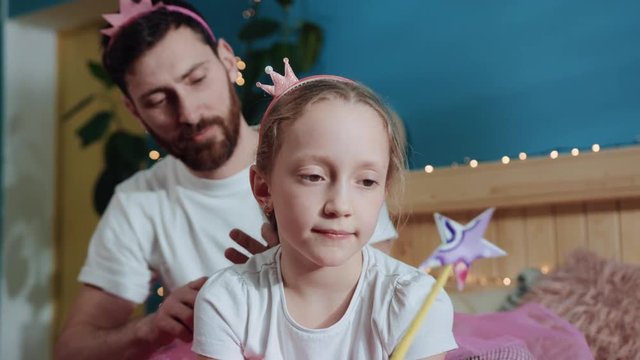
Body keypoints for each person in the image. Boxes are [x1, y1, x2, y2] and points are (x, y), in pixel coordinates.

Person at [53, 1, 398, 359]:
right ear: (134, 110)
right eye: (157, 100)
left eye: (197, 79)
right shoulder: (138, 200)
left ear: (228, 60)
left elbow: (384, 303)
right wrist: (152, 328)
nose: (189, 113)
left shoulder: (329, 158)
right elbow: (71, 351)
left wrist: (300, 276)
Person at [192, 59, 457, 359]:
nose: (340, 206)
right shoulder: (227, 301)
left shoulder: (414, 301)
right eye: (313, 177)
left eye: (367, 181)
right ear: (264, 188)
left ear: (383, 191)